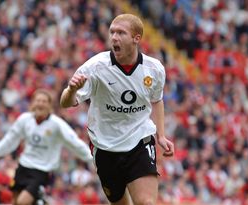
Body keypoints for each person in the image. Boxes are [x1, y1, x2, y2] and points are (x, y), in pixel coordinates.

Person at [60, 13, 174, 205]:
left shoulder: (154, 69)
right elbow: (64, 103)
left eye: (121, 33)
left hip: (139, 140)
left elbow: (157, 100)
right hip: (105, 145)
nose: (114, 37)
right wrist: (72, 90)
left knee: (146, 202)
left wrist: (161, 136)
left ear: (136, 38)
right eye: (112, 32)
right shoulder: (96, 67)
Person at [0, 89, 93, 205]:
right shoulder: (25, 119)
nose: (40, 103)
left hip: (41, 171)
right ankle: (40, 201)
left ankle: (41, 199)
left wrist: (93, 159)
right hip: (23, 166)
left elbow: (75, 143)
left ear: (49, 105)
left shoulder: (57, 124)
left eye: (44, 101)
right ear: (32, 103)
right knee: (16, 202)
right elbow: (10, 140)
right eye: (38, 100)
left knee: (23, 202)